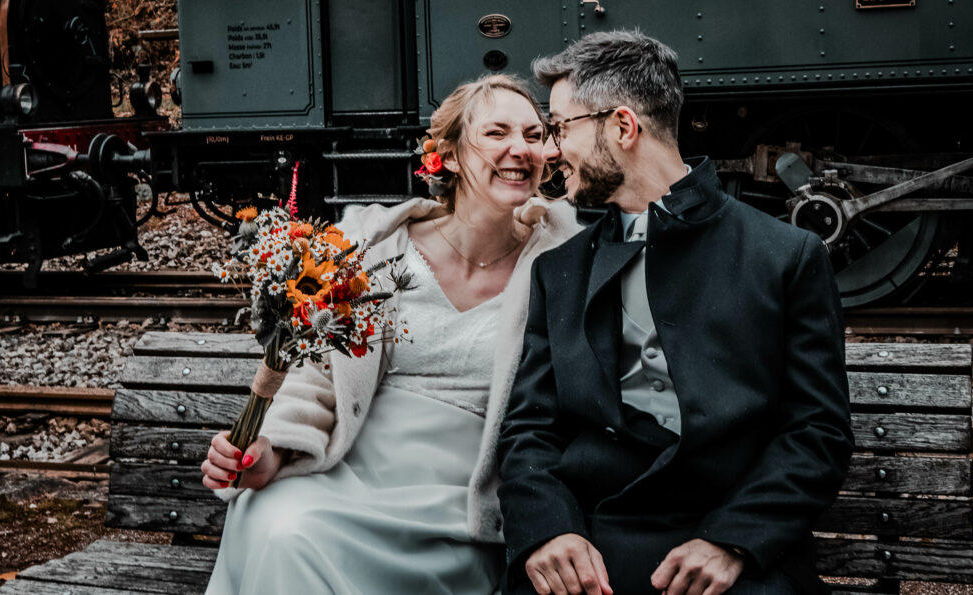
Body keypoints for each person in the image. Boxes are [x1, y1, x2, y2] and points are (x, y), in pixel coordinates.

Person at [496, 31, 853, 595]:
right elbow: (529, 429)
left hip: (732, 544)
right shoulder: (558, 270)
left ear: (622, 126)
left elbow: (817, 430)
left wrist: (734, 541)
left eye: (561, 127)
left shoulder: (783, 257)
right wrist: (549, 530)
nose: (550, 150)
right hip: (594, 543)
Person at [202, 74, 581, 595]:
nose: (521, 149)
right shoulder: (376, 245)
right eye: (497, 133)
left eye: (535, 135)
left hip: (460, 502)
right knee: (279, 524)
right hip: (348, 472)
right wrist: (273, 451)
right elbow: (318, 373)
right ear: (447, 156)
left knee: (298, 535)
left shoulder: (565, 258)